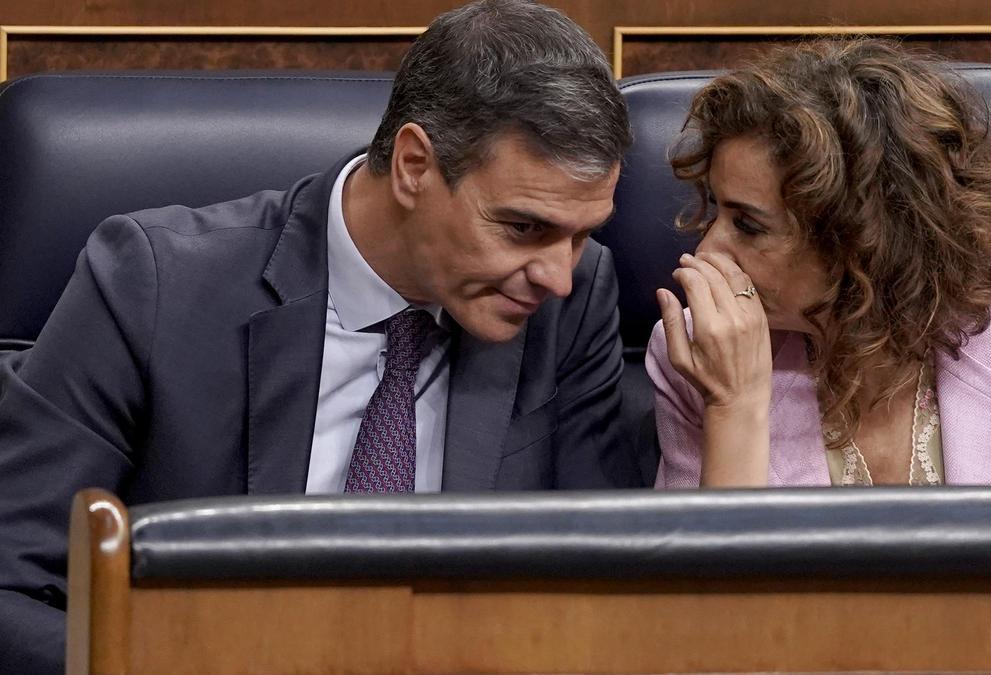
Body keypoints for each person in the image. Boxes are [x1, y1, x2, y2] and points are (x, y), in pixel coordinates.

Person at [0, 1, 640, 671]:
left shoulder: (574, 299)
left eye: (583, 234)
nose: (557, 276)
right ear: (415, 165)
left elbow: (602, 586)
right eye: (524, 228)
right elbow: (10, 580)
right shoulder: (152, 285)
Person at [649, 39, 991, 489]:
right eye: (717, 210)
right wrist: (734, 406)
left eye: (750, 225)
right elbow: (706, 602)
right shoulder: (697, 357)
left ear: (864, 237)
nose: (708, 253)